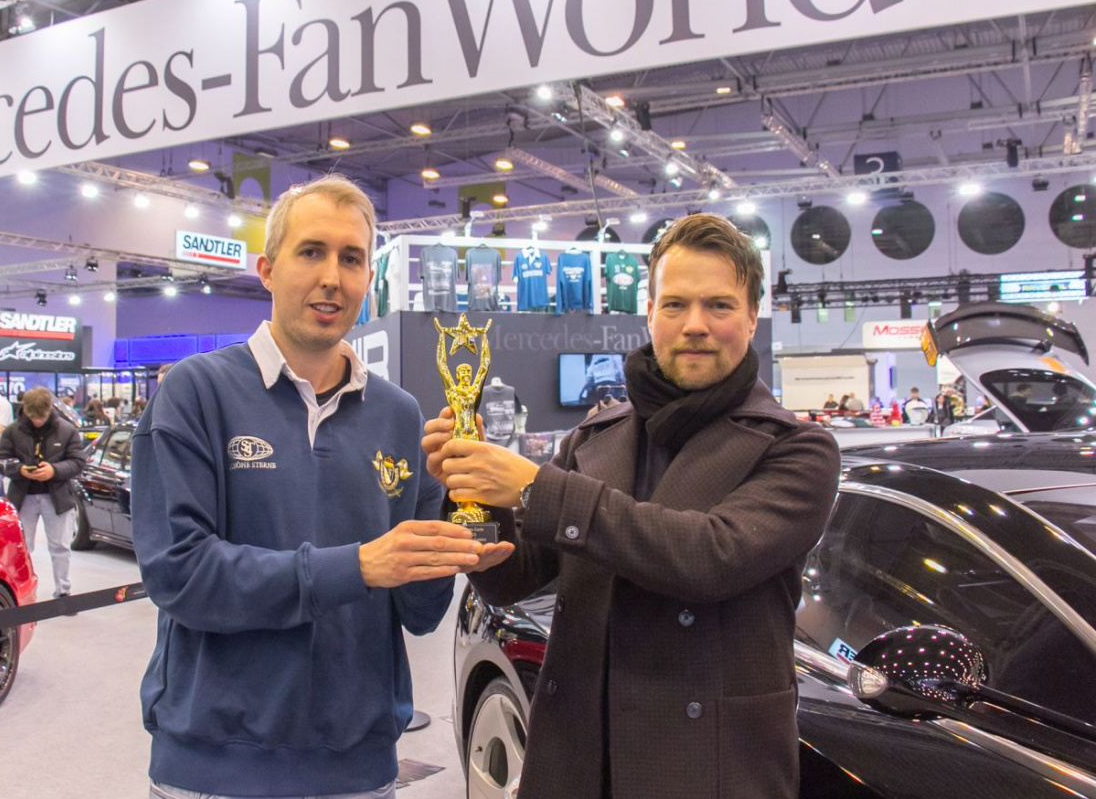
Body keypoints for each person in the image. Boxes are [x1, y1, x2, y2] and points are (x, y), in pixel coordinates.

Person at [423, 214, 839, 799]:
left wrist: (535, 487)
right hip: (575, 760)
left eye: (718, 305)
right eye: (675, 305)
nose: (695, 324)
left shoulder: (797, 448)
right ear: (649, 313)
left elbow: (709, 557)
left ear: (752, 316)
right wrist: (473, 491)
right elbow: (512, 579)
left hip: (705, 767)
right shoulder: (597, 436)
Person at [131, 173, 490, 799]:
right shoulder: (195, 392)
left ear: (368, 279)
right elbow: (180, 575)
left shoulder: (400, 415)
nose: (332, 277)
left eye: (351, 259)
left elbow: (420, 613)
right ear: (268, 271)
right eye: (311, 252)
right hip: (213, 770)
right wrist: (359, 566)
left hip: (359, 770)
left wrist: (456, 510)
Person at [0, 386, 86, 600]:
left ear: (50, 410)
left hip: (58, 498)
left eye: (41, 417)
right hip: (22, 497)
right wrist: (20, 470)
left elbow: (78, 462)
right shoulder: (12, 431)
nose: (37, 421)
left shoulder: (67, 430)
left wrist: (54, 470)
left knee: (61, 546)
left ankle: (63, 591)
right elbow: (1, 461)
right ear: (25, 411)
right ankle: (20, 592)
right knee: (21, 548)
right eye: (33, 417)